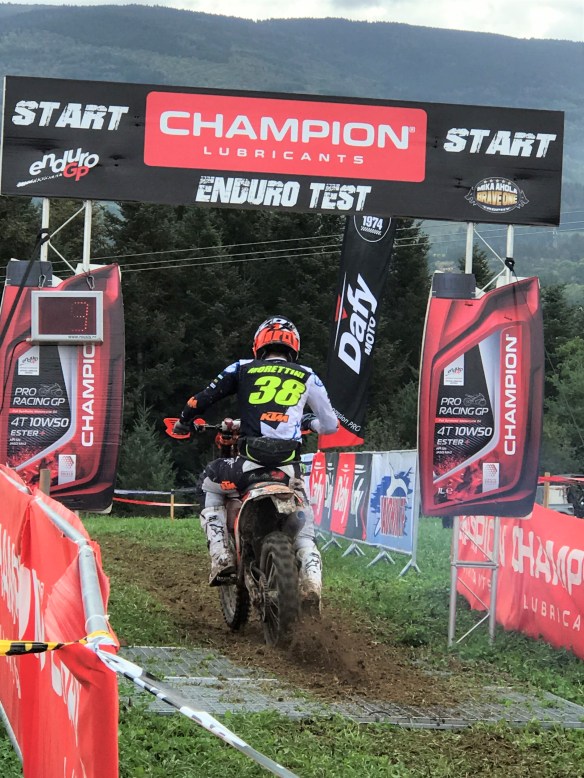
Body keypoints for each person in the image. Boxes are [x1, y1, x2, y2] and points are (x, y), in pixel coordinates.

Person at [174, 315, 339, 606]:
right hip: (288, 471)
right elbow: (330, 425)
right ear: (294, 346)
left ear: (259, 344)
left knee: (209, 482)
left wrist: (184, 421)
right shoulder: (307, 374)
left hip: (248, 466)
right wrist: (308, 422)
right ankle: (313, 580)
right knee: (304, 527)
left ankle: (221, 555)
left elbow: (202, 399)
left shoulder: (242, 367)